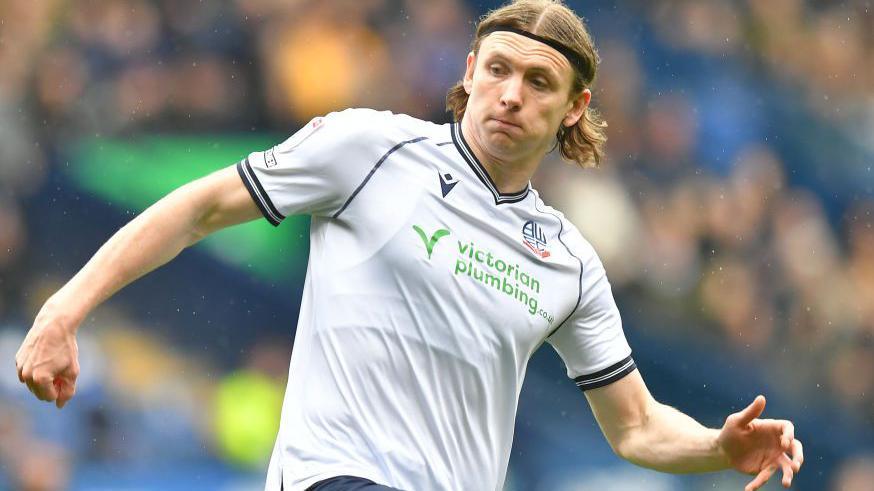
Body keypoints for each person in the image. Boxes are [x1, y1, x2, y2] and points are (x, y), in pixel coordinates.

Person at [14, 1, 803, 490]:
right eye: (498, 68)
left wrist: (716, 445)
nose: (511, 93)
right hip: (333, 477)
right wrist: (65, 307)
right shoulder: (369, 148)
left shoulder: (569, 260)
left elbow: (633, 426)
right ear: (469, 70)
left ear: (574, 107)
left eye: (538, 81)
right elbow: (199, 207)